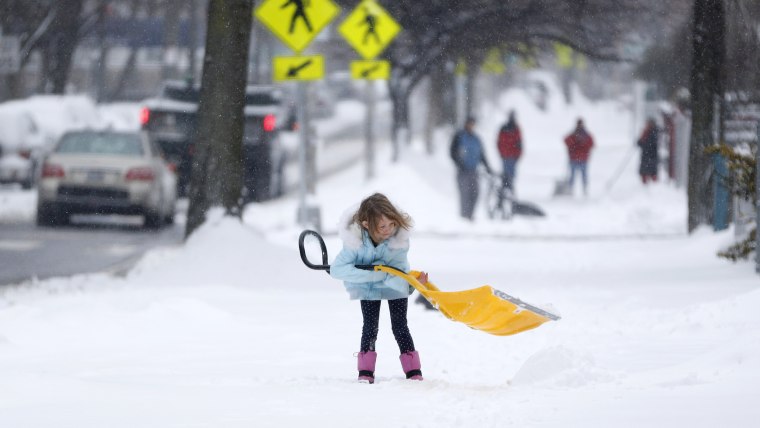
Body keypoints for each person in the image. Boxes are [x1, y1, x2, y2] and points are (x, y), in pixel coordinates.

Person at [330, 193, 428, 384]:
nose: (389, 230)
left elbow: (399, 271)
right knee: (370, 327)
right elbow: (337, 269)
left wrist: (413, 285)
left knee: (400, 326)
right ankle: (365, 371)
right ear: (366, 225)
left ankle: (413, 370)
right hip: (368, 287)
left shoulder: (399, 241)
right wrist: (373, 275)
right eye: (382, 226)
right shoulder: (355, 242)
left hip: (394, 283)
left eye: (392, 224)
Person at [450, 116, 493, 220]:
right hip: (463, 171)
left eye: (473, 124)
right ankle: (464, 217)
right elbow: (452, 152)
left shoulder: (476, 139)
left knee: (475, 193)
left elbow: (481, 155)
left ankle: (470, 215)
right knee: (465, 195)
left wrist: (488, 167)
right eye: (470, 123)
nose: (471, 126)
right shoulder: (459, 136)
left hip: (474, 171)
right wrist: (459, 163)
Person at [564, 118, 594, 196]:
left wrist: (582, 145)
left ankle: (584, 189)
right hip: (575, 159)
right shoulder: (574, 134)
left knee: (583, 175)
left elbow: (591, 143)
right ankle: (571, 189)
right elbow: (566, 140)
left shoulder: (585, 135)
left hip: (581, 159)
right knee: (573, 176)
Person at [496, 110, 523, 193]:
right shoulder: (506, 128)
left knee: (510, 175)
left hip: (511, 156)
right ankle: (506, 190)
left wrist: (517, 155)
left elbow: (519, 143)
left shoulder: (515, 128)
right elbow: (500, 142)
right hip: (507, 156)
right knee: (507, 175)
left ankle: (507, 190)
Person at [637, 118, 660, 184]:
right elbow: (639, 142)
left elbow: (651, 143)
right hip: (646, 156)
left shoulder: (654, 132)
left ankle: (654, 184)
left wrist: (644, 143)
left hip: (651, 156)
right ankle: (645, 183)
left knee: (652, 172)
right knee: (645, 171)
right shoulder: (646, 132)